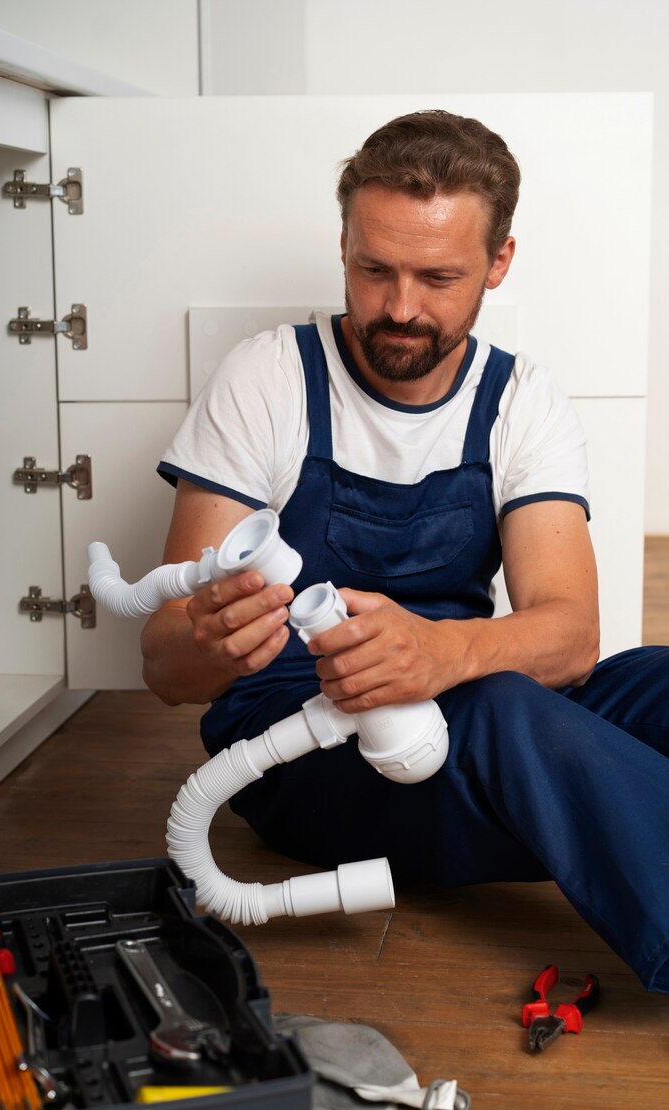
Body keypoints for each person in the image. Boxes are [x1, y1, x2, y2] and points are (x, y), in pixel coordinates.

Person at [142, 110, 669, 993]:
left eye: (438, 277)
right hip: (300, 749)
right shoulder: (269, 377)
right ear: (343, 243)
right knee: (509, 713)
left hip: (464, 708)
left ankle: (600, 815)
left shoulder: (519, 401)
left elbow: (573, 637)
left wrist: (439, 654)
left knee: (650, 678)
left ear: (499, 262)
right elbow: (162, 663)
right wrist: (208, 634)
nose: (398, 308)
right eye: (372, 268)